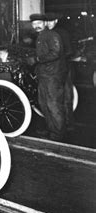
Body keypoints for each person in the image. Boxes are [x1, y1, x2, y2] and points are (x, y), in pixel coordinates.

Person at [27, 13, 66, 141]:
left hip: (52, 76)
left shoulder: (52, 35)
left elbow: (56, 52)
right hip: (45, 75)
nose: (36, 26)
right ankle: (52, 131)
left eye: (39, 23)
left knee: (53, 105)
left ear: (45, 23)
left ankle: (58, 135)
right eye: (34, 24)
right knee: (44, 104)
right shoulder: (41, 36)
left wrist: (37, 59)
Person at [46, 12, 75, 130]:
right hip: (63, 67)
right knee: (64, 97)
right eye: (47, 22)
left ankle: (65, 125)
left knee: (63, 97)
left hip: (63, 68)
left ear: (56, 21)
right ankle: (67, 124)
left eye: (51, 21)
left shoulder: (60, 33)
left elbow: (68, 51)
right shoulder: (54, 33)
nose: (48, 24)